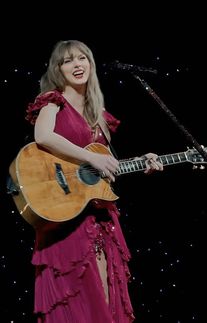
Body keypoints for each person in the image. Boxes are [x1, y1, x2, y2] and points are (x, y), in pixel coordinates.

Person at [25, 39, 163, 323]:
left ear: (91, 63)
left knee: (106, 296)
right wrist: (91, 159)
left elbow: (105, 168)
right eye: (68, 60)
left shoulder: (100, 116)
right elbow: (44, 136)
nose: (77, 65)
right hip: (65, 216)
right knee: (79, 298)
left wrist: (141, 161)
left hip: (101, 215)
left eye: (82, 58)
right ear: (58, 69)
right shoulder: (53, 101)